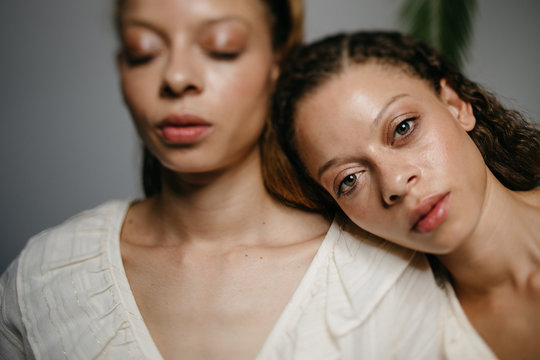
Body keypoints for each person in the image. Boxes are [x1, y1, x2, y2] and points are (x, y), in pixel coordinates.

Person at [0, 2, 470, 358]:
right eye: (143, 53)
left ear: (278, 63)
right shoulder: (45, 276)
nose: (177, 78)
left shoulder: (382, 273)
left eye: (221, 47)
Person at [273, 30, 540, 360]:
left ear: (456, 106)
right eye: (349, 180)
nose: (395, 183)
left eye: (402, 128)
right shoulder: (431, 347)